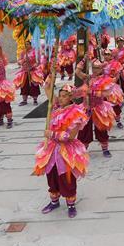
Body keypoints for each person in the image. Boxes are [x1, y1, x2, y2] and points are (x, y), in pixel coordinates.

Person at [33, 82, 89, 218]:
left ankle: (71, 205)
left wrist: (51, 134)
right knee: (51, 175)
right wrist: (48, 80)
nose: (61, 98)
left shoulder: (76, 113)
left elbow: (70, 136)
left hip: (66, 150)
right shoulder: (57, 108)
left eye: (64, 96)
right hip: (52, 149)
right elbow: (49, 91)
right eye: (60, 96)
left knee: (66, 177)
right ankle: (54, 201)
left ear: (70, 98)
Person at [75, 59, 121, 157]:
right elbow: (77, 72)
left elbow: (107, 93)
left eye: (98, 68)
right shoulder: (87, 78)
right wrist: (83, 59)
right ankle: (83, 149)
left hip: (99, 107)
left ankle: (105, 149)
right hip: (86, 107)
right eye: (94, 68)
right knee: (84, 129)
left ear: (101, 69)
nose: (95, 70)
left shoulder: (106, 80)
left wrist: (91, 92)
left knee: (101, 129)